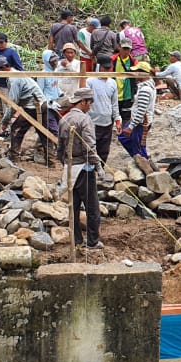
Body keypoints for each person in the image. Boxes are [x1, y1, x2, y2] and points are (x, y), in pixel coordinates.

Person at [57, 86, 105, 250]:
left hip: (70, 168)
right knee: (92, 207)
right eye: (89, 103)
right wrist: (99, 166)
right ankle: (92, 241)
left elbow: (60, 148)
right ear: (83, 102)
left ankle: (76, 239)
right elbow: (89, 147)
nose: (90, 106)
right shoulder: (85, 120)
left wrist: (64, 163)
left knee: (74, 206)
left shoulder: (64, 119)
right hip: (85, 169)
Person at [0, 56, 45, 157]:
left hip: (34, 107)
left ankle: (14, 155)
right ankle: (50, 159)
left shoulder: (14, 79)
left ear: (3, 68)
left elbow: (12, 103)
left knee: (16, 129)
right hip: (40, 104)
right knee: (42, 131)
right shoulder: (16, 73)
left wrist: (5, 121)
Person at [118, 62, 156, 169]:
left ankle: (144, 167)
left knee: (139, 148)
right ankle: (138, 159)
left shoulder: (145, 89)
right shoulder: (146, 86)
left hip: (140, 123)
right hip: (139, 120)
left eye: (136, 72)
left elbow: (141, 110)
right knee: (123, 138)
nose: (135, 74)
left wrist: (131, 126)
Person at [87, 72, 121, 166]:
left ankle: (101, 169)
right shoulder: (90, 81)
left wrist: (117, 120)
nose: (107, 70)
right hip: (93, 121)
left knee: (104, 149)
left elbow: (114, 103)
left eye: (109, 68)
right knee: (91, 148)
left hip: (107, 121)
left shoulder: (112, 83)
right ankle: (91, 170)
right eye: (105, 68)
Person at [112, 39, 137, 125]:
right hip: (115, 91)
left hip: (127, 92)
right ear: (119, 47)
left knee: (126, 115)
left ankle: (124, 136)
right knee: (112, 114)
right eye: (124, 48)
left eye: (128, 49)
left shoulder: (133, 61)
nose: (126, 51)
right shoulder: (113, 60)